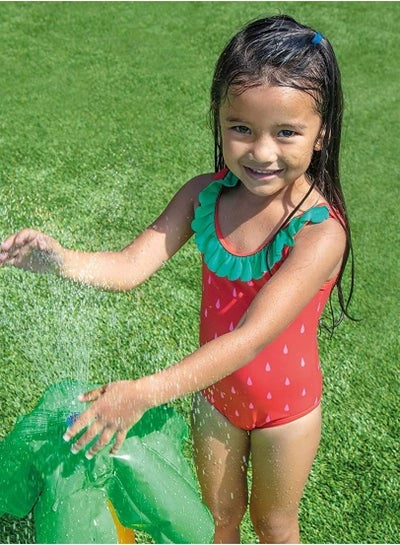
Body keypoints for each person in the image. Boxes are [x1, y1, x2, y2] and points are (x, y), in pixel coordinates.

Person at [0, 15, 355, 544]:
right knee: (216, 522)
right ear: (219, 119)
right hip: (216, 399)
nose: (261, 152)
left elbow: (250, 338)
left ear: (321, 132)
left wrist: (145, 392)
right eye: (242, 128)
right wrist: (60, 261)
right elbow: (130, 266)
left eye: (286, 133)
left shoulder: (319, 234)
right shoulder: (204, 196)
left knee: (275, 524)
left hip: (286, 411)